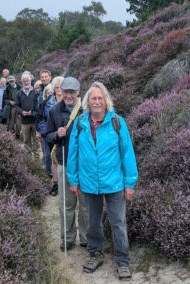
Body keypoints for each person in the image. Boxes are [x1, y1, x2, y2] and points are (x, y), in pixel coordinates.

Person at [67, 82, 138, 280]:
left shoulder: (117, 122)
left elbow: (127, 153)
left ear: (106, 101)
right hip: (89, 183)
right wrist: (73, 179)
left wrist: (130, 183)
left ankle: (122, 261)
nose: (97, 102)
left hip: (114, 182)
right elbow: (73, 153)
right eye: (93, 98)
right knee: (92, 223)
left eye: (100, 98)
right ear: (87, 102)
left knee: (118, 223)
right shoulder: (80, 123)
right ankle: (95, 254)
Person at [46, 77, 88, 251]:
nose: (69, 95)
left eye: (73, 92)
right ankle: (68, 238)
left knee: (86, 205)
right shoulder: (54, 111)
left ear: (78, 92)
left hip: (85, 165)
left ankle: (86, 239)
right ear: (61, 92)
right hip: (64, 163)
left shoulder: (86, 110)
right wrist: (56, 134)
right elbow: (47, 135)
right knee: (67, 204)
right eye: (66, 92)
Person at [38, 77, 63, 195]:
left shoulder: (70, 101)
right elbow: (41, 119)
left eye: (61, 87)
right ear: (53, 88)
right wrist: (45, 130)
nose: (59, 90)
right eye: (57, 87)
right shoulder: (46, 102)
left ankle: (67, 184)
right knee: (53, 160)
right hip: (51, 135)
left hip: (66, 137)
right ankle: (55, 184)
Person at [15, 73, 39, 159]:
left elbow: (38, 105)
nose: (26, 82)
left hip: (35, 121)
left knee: (36, 140)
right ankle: (29, 159)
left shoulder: (35, 92)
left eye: (27, 80)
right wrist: (22, 112)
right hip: (24, 121)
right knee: (26, 140)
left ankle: (37, 158)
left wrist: (32, 112)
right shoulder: (19, 93)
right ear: (22, 82)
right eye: (24, 81)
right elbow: (16, 105)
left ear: (30, 81)